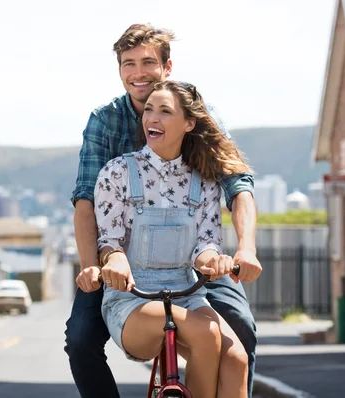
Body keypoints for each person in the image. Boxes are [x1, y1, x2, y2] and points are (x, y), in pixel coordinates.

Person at [65, 23, 262, 398]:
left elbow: (237, 186)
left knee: (240, 332)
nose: (138, 73)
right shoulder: (106, 126)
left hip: (187, 269)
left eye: (147, 63)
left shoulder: (197, 122)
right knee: (80, 339)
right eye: (128, 64)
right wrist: (97, 262)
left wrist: (243, 250)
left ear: (166, 68)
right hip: (124, 267)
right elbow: (88, 202)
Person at [98, 80, 252, 398]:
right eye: (149, 110)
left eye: (165, 111)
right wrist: (114, 259)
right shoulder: (117, 173)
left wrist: (216, 260)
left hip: (187, 293)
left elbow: (205, 246)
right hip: (131, 298)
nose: (152, 118)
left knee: (237, 358)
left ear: (189, 123)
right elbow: (108, 241)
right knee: (205, 335)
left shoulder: (204, 180)